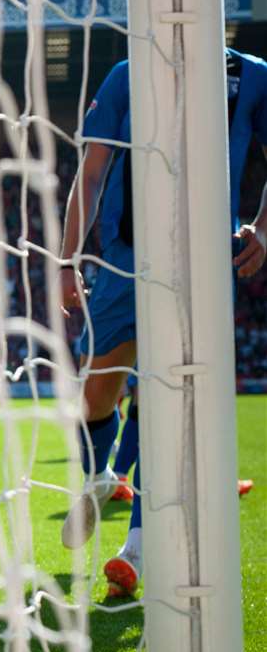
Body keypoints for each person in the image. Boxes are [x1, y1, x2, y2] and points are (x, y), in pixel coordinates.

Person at [60, 47, 266, 598]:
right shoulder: (128, 73)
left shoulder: (253, 79)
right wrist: (65, 259)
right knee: (95, 400)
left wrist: (262, 229)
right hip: (123, 261)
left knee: (163, 400)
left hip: (200, 267)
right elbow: (94, 170)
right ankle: (100, 475)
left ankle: (136, 549)